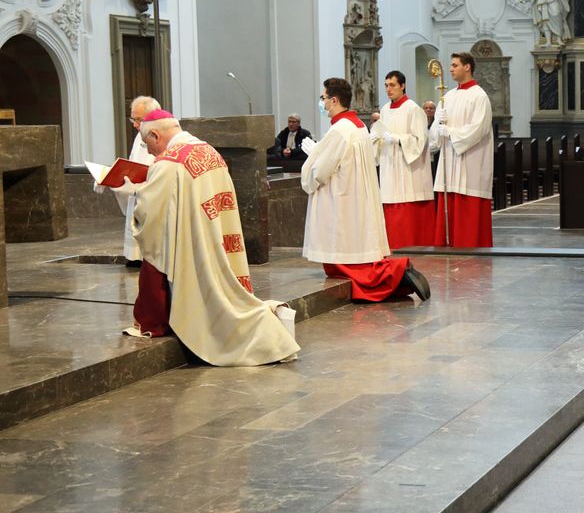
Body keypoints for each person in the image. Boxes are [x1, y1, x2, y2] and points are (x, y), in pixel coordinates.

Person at [123, 110, 300, 366]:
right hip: (217, 236)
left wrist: (132, 192)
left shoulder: (168, 163)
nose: (148, 151)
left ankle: (262, 332)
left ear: (155, 134)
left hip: (195, 246)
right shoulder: (207, 150)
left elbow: (151, 216)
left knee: (213, 304)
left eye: (146, 143)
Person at [302, 77, 431, 302]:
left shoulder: (340, 130)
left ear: (334, 100)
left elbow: (320, 172)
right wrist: (319, 151)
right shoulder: (358, 125)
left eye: (323, 98)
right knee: (354, 260)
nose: (321, 103)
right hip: (354, 199)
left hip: (342, 202)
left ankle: (397, 272)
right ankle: (397, 274)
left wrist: (313, 156)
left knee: (346, 263)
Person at [428, 52, 494, 247]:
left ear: (467, 67)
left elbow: (478, 128)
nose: (450, 69)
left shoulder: (479, 96)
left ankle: (470, 244)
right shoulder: (447, 96)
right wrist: (437, 123)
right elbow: (434, 138)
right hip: (450, 161)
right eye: (450, 65)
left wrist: (450, 132)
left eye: (455, 65)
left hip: (470, 160)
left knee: (467, 201)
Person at [370, 70, 435, 248]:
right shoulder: (384, 110)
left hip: (408, 171)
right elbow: (379, 135)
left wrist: (398, 139)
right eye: (386, 85)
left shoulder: (413, 109)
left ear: (403, 86)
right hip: (389, 166)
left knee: (408, 212)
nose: (388, 89)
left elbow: (420, 140)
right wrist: (374, 139)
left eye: (392, 85)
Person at [95, 94, 159, 267]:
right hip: (138, 198)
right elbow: (134, 165)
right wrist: (108, 176)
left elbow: (160, 174)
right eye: (133, 119)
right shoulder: (140, 136)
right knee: (135, 260)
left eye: (140, 120)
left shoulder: (162, 137)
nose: (136, 125)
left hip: (153, 203)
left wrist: (137, 186)